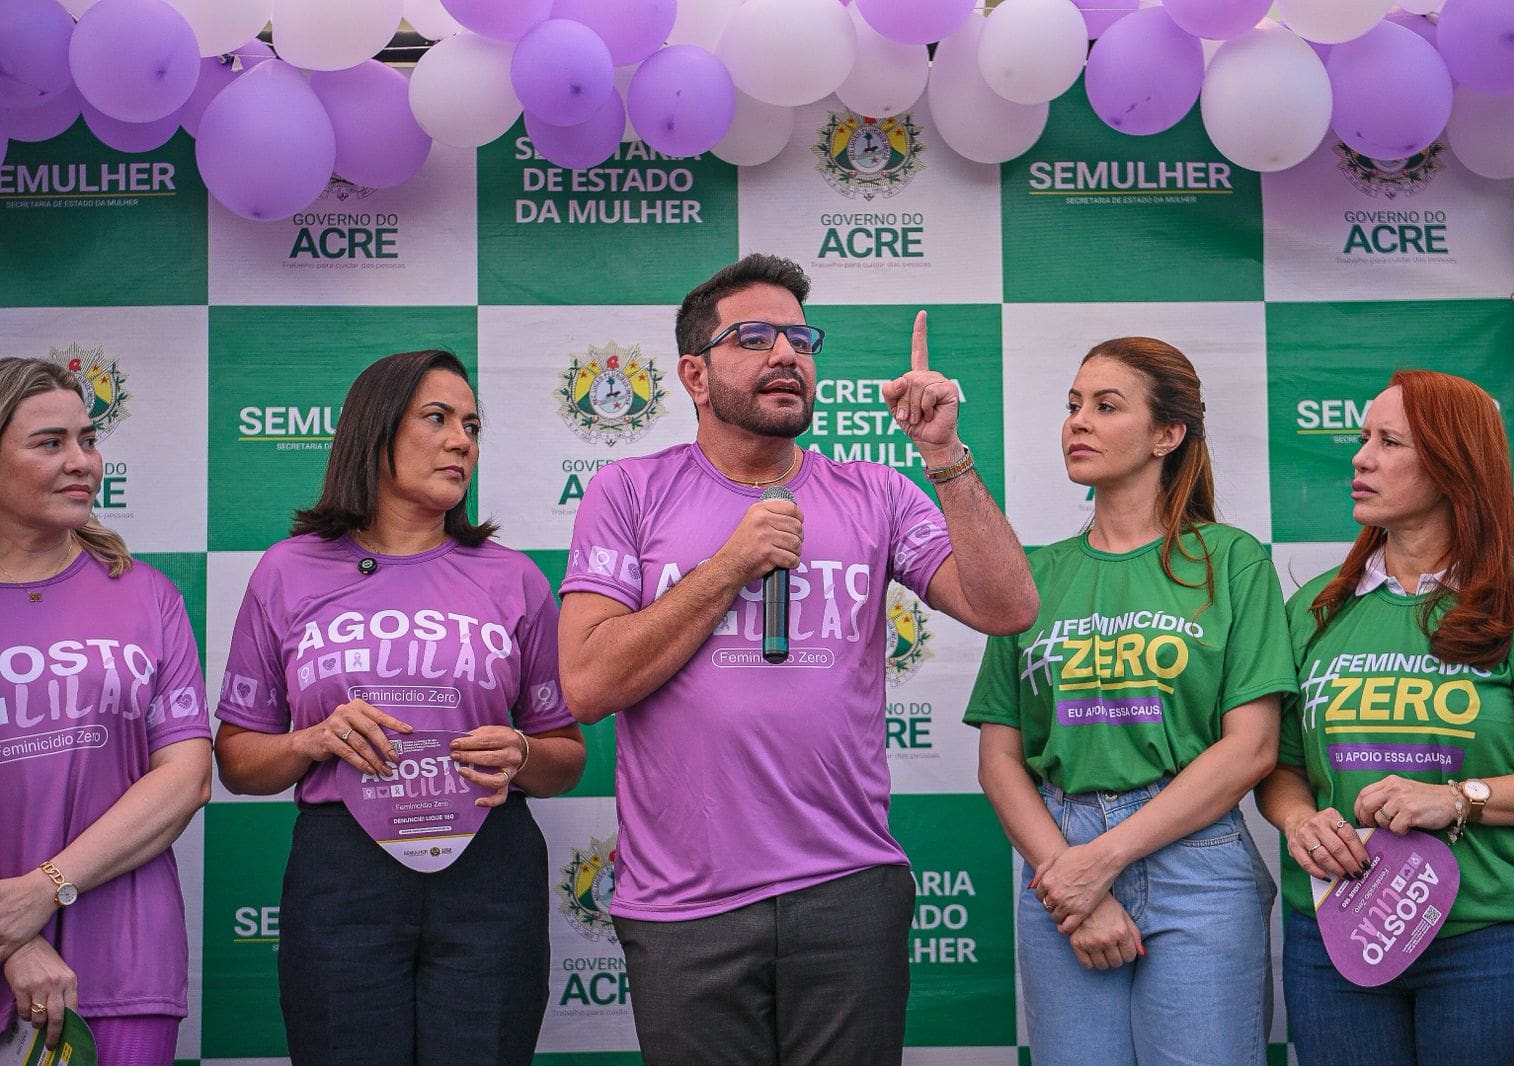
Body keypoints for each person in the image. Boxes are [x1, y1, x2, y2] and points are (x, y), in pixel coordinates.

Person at [558, 253, 1037, 1064]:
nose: (786, 354)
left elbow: (1007, 608)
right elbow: (587, 684)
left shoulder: (878, 492)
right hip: (684, 908)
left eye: (800, 340)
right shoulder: (628, 491)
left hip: (847, 891)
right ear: (695, 375)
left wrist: (944, 453)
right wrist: (728, 566)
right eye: (754, 337)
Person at [213, 350, 585, 1066]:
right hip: (342, 870)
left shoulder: (513, 577)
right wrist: (311, 740)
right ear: (375, 430)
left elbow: (566, 756)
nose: (461, 441)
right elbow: (236, 761)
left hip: (490, 868)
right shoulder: (286, 570)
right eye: (437, 419)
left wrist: (523, 754)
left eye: (471, 426)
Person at [1257, 370, 1514, 1065]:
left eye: (1389, 443)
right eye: (1363, 439)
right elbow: (1279, 765)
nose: (1360, 458)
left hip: (1495, 942)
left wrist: (1458, 798)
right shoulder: (1317, 611)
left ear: (1453, 464)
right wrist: (1299, 821)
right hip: (1339, 935)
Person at [963, 337, 1289, 1065]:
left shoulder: (1231, 560)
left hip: (1194, 864)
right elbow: (999, 760)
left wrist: (1098, 862)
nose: (1078, 421)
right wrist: (1067, 876)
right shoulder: (1032, 574)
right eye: (1073, 405)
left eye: (1107, 406)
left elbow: (1253, 748)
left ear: (1167, 434)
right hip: (1058, 858)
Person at [0, 357, 212, 1063]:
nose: (81, 461)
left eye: (87, 440)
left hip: (124, 966)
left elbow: (186, 777)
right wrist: (13, 934)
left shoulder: (146, 595)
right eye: (50, 442)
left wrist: (45, 889)